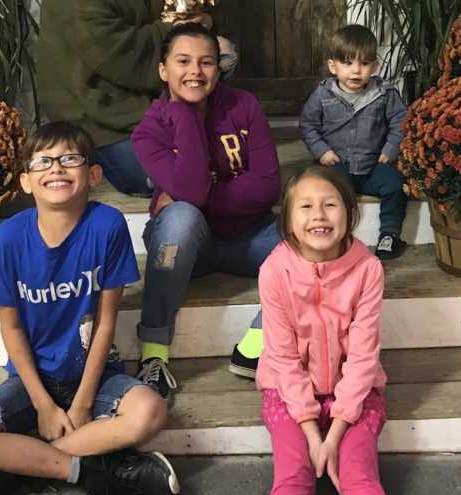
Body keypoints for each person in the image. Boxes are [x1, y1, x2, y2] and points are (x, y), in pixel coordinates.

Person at [0, 122, 179, 495]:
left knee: (151, 411)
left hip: (94, 374)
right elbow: (12, 327)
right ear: (25, 180)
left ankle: (17, 467)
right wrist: (43, 405)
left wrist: (84, 403)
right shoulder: (8, 237)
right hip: (32, 381)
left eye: (69, 159)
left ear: (93, 174)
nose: (56, 168)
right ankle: (92, 472)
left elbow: (105, 323)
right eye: (43, 161)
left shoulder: (106, 226)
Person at [253, 166, 432, 495]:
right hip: (288, 393)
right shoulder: (274, 271)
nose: (319, 215)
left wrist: (334, 435)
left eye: (330, 204)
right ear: (289, 221)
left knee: (358, 475)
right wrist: (313, 436)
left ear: (350, 214)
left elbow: (364, 355)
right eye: (306, 206)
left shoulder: (368, 269)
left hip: (356, 393)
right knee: (294, 474)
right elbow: (280, 356)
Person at [130, 22, 281, 395]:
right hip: (186, 248)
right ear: (164, 70)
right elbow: (192, 197)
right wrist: (182, 114)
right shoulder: (149, 131)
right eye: (183, 61)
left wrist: (198, 194)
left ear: (219, 67)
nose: (195, 72)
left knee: (309, 235)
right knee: (181, 217)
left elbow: (267, 187)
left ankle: (252, 348)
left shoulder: (243, 106)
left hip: (249, 237)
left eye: (207, 62)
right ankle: (153, 356)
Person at [38, 0, 236, 196]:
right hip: (100, 112)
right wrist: (179, 29)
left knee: (222, 54)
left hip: (150, 96)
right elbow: (119, 53)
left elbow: (178, 12)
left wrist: (198, 21)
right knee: (166, 176)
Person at [300, 24, 410, 260]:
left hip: (373, 165)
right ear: (333, 66)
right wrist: (322, 151)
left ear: (375, 66)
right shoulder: (322, 94)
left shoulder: (384, 94)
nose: (356, 71)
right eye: (348, 63)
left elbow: (401, 122)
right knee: (327, 191)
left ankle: (389, 235)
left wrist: (390, 150)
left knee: (395, 185)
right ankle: (336, 237)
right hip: (336, 163)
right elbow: (308, 125)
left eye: (364, 64)